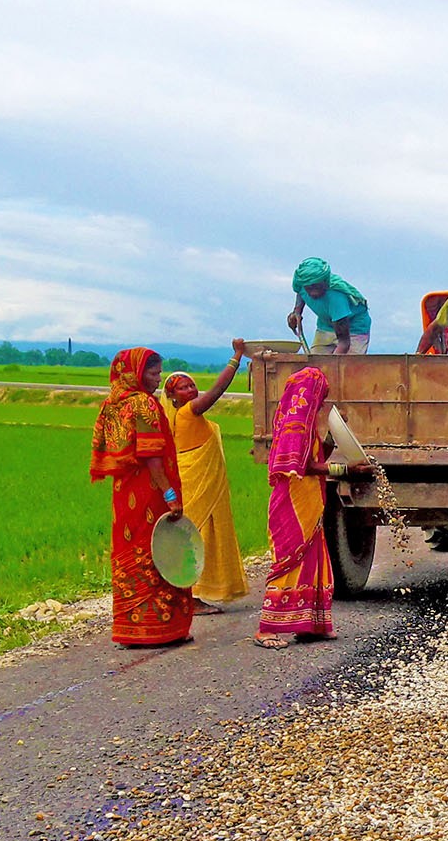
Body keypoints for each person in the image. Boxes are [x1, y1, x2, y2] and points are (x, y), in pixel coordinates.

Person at [89, 347, 193, 647]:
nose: (157, 379)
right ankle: (161, 628)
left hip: (124, 494)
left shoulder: (112, 403)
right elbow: (152, 457)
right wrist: (170, 494)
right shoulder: (143, 405)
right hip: (151, 492)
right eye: (151, 373)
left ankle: (130, 628)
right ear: (134, 373)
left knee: (131, 547)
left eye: (159, 373)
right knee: (161, 550)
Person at [158, 340, 252, 613]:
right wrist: (236, 357)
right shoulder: (189, 411)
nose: (190, 390)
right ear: (173, 396)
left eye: (191, 385)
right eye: (182, 388)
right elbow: (218, 390)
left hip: (190, 478)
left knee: (199, 535)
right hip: (196, 480)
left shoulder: (175, 415)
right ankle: (190, 596)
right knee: (196, 536)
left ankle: (194, 593)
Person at [256, 366, 342, 648]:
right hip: (292, 502)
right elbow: (304, 466)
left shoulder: (305, 423)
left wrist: (334, 437)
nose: (322, 402)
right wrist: (342, 469)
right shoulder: (296, 424)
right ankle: (267, 628)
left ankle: (311, 624)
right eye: (321, 396)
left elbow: (315, 455)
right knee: (289, 560)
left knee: (313, 555)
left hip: (308, 500)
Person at [287, 258, 372, 354]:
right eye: (309, 288)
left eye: (317, 287)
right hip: (325, 326)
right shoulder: (301, 282)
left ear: (325, 283)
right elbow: (300, 292)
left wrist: (332, 366)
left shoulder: (336, 297)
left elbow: (344, 343)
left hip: (353, 328)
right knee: (316, 364)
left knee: (347, 366)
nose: (313, 293)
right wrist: (297, 312)